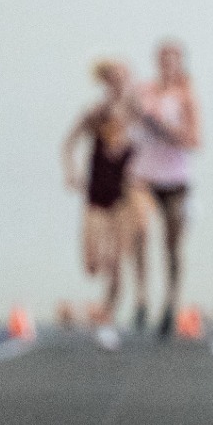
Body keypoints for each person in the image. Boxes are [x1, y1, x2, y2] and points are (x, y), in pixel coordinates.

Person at [61, 60, 145, 348]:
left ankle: (107, 320)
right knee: (92, 264)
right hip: (97, 195)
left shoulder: (138, 114)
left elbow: (150, 148)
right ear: (106, 82)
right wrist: (71, 172)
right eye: (113, 79)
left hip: (123, 198)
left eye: (123, 78)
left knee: (116, 262)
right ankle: (96, 311)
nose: (119, 83)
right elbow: (68, 142)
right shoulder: (96, 113)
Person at [133, 40, 201, 339]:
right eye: (163, 59)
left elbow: (194, 139)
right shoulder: (144, 91)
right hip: (143, 177)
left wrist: (161, 128)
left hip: (175, 180)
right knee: (140, 228)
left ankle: (171, 302)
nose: (168, 65)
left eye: (173, 60)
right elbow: (126, 122)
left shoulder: (186, 96)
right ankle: (141, 298)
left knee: (172, 244)